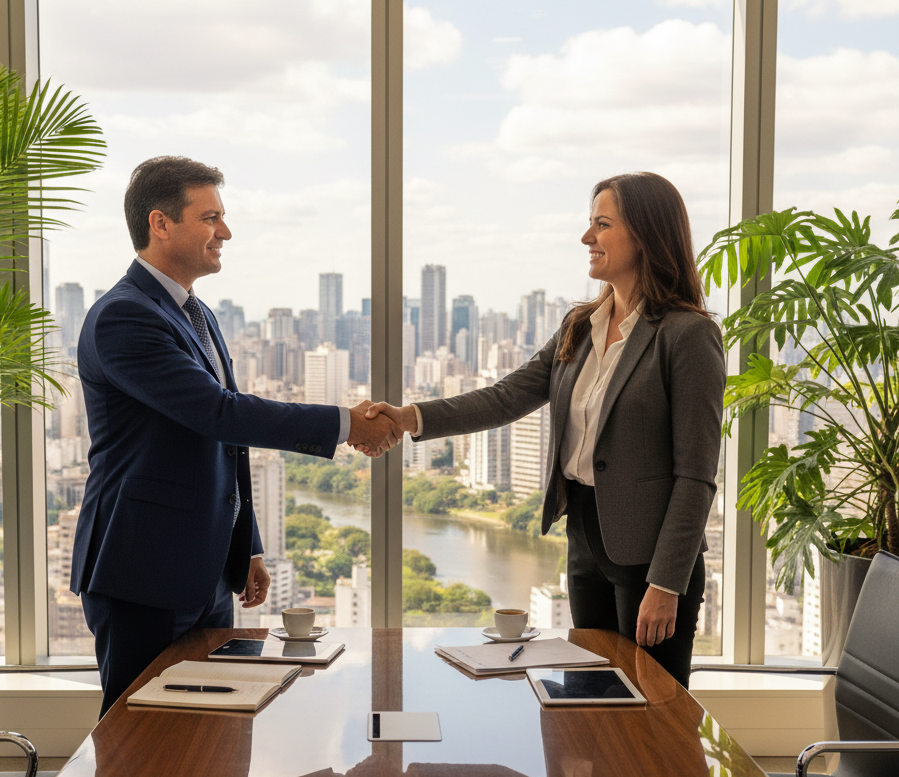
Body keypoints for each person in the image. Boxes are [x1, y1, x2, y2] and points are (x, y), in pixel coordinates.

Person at [363, 172, 725, 687]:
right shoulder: (580, 324)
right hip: (585, 539)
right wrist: (407, 417)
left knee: (652, 716)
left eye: (601, 225)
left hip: (651, 559)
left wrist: (666, 583)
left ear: (644, 234)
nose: (586, 239)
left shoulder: (688, 335)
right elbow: (506, 396)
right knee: (590, 699)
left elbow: (696, 474)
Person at [71, 156, 401, 715]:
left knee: (213, 729)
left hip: (204, 571)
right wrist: (345, 424)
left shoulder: (197, 314)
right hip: (141, 570)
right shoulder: (123, 317)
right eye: (211, 217)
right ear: (160, 223)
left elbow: (225, 443)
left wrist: (244, 544)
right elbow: (218, 413)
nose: (225, 231)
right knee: (139, 736)